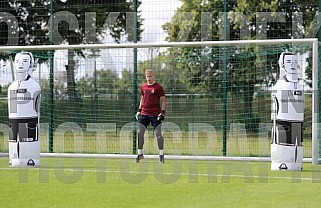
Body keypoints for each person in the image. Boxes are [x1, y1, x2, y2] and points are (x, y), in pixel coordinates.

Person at [135, 69, 166, 163]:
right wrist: (139, 111)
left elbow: (163, 100)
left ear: (154, 76)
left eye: (150, 76)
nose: (149, 78)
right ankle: (140, 154)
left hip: (155, 114)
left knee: (158, 134)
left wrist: (163, 112)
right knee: (140, 133)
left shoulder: (158, 87)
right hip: (144, 114)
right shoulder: (143, 87)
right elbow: (142, 98)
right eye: (147, 76)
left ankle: (161, 155)